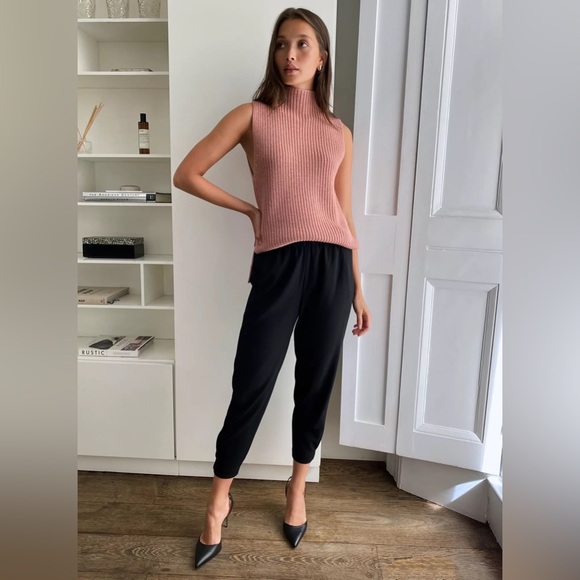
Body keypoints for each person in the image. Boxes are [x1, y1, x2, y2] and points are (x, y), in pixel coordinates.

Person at [173, 7, 371, 570]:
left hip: (333, 265)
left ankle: (297, 487)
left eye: (303, 44)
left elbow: (344, 216)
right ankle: (218, 501)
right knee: (252, 383)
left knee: (315, 383)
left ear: (322, 57)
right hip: (278, 264)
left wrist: (358, 288)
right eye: (282, 44)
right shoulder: (252, 116)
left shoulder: (338, 132)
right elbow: (186, 174)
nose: (290, 55)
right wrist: (250, 210)